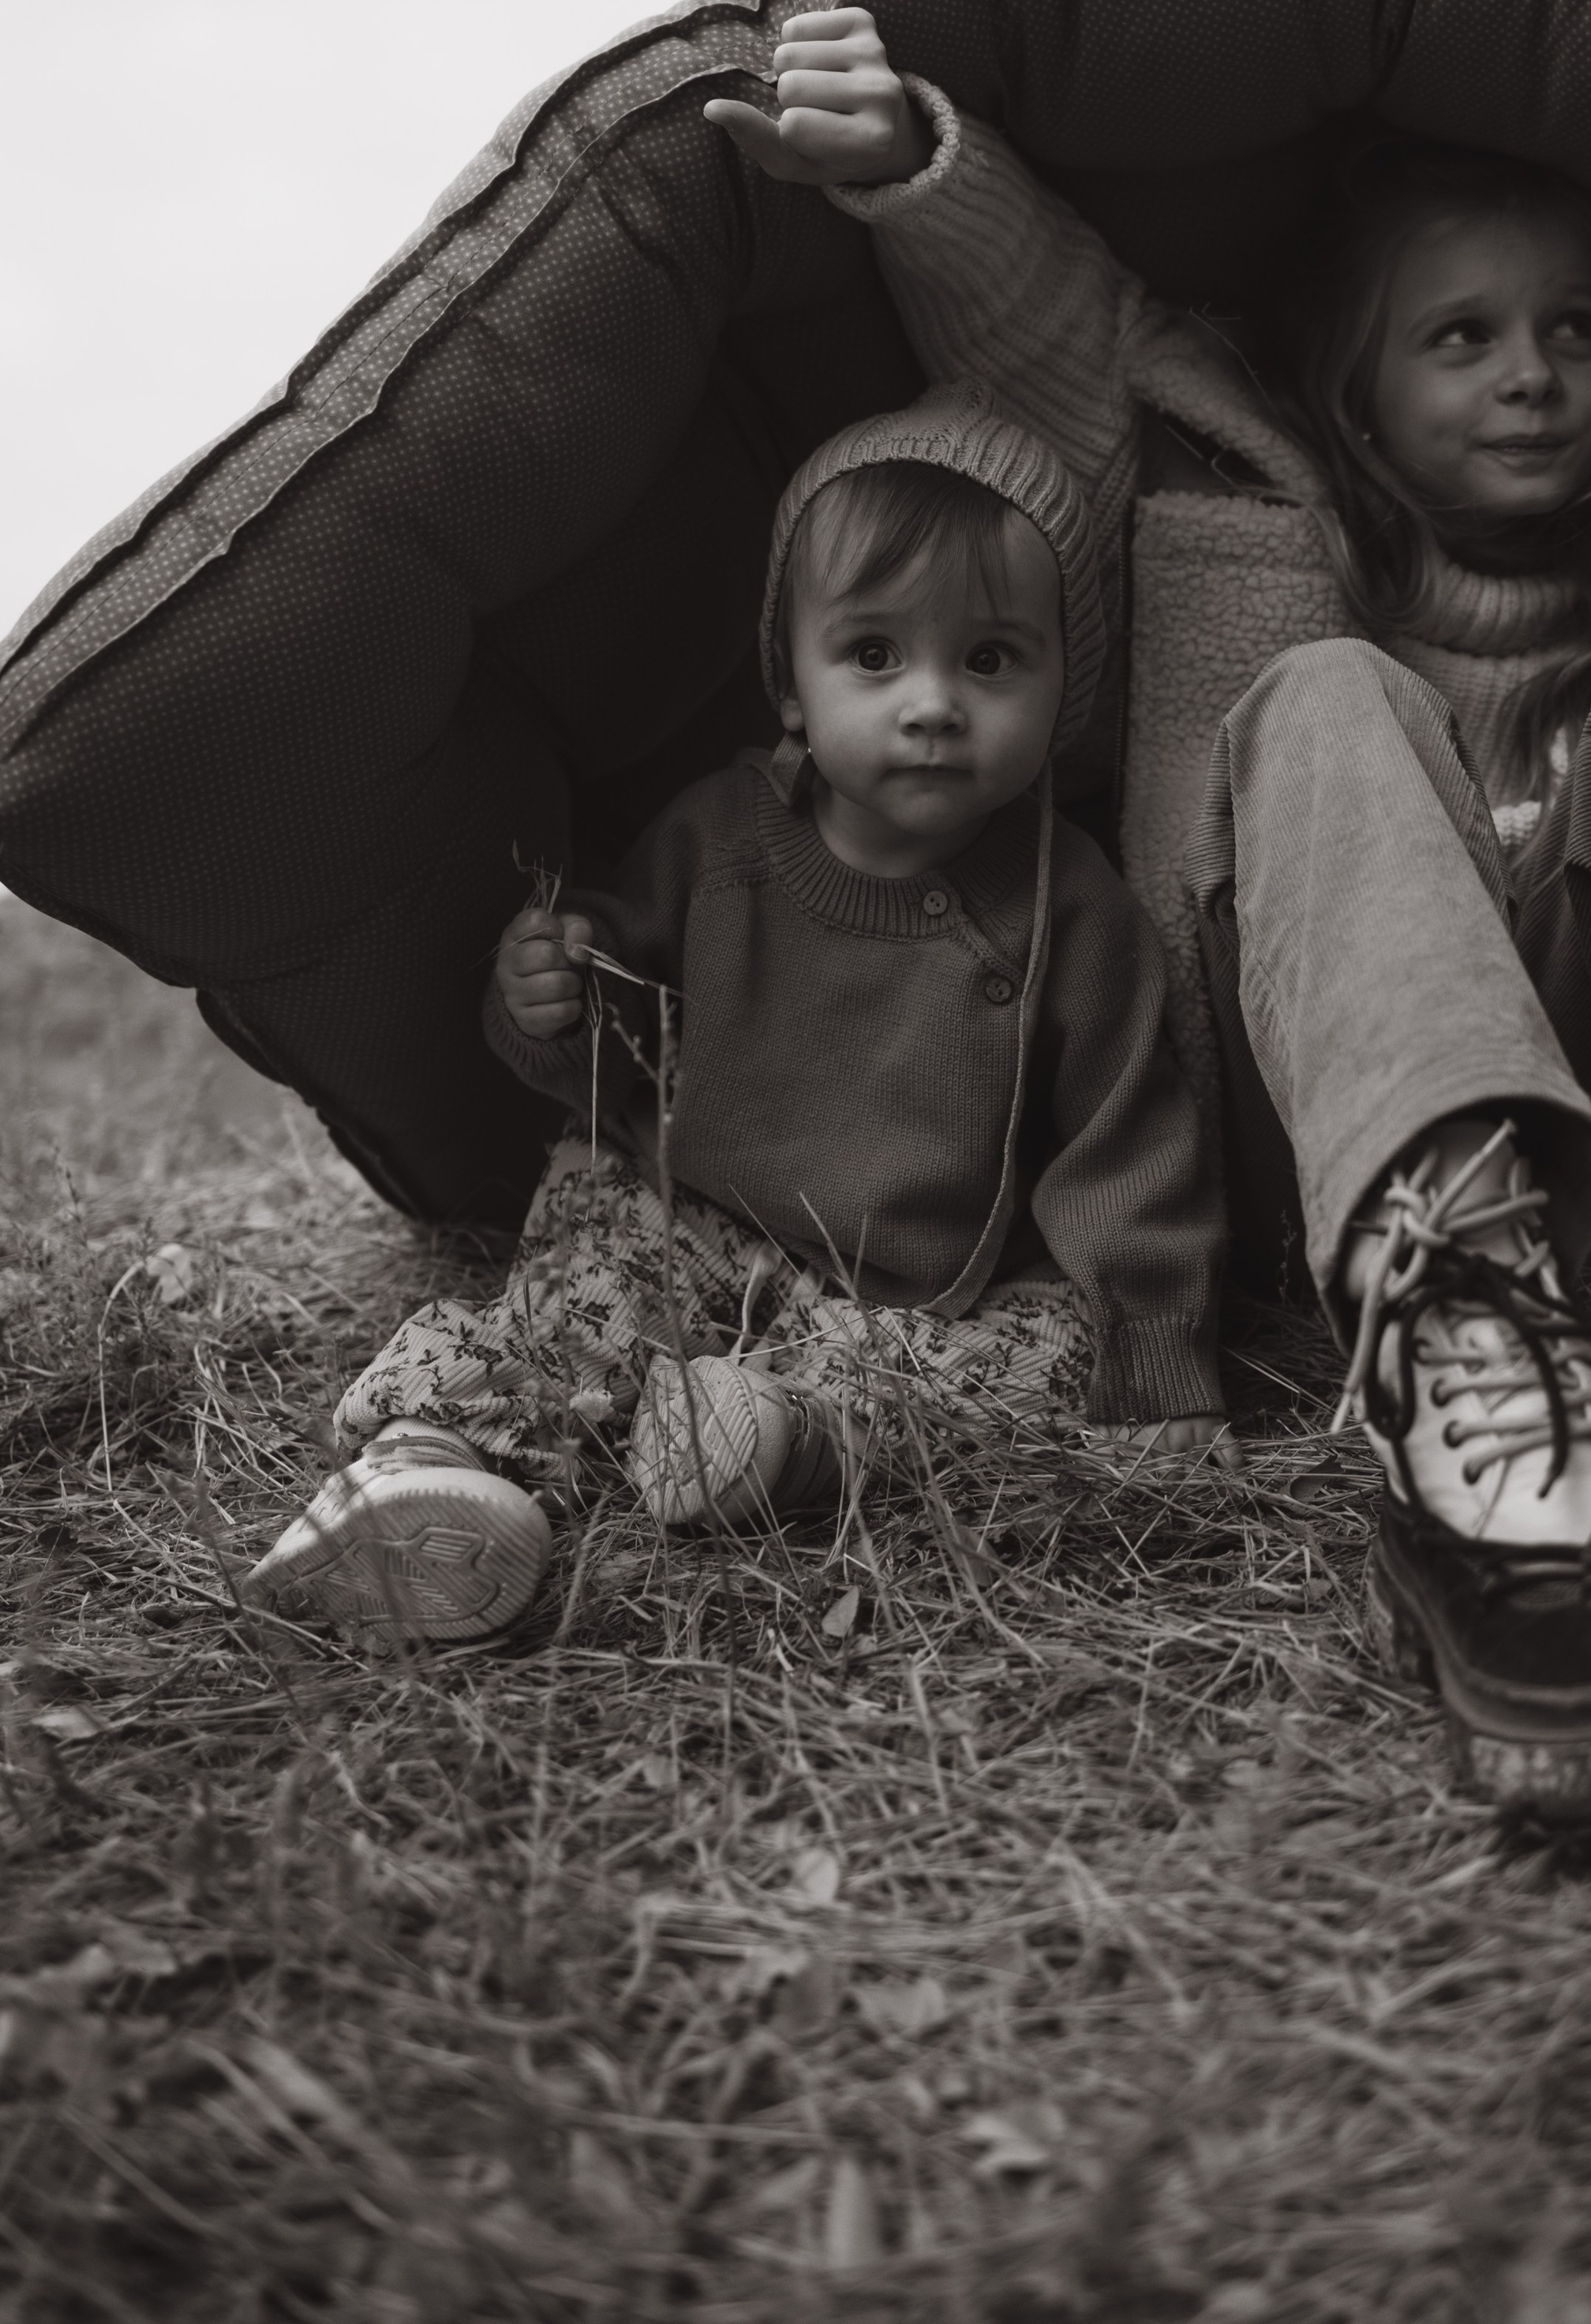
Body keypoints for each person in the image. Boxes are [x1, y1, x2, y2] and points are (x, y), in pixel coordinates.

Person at [691, 7, 1591, 1821]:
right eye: (1459, 336)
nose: (1528, 374)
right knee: (1325, 695)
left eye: (1571, 331)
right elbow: (1060, 334)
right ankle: (1491, 1437)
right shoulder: (1241, 496)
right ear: (1349, 383)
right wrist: (913, 171)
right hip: (1319, 1100)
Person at [246, 386, 1226, 1647]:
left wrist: (1156, 1346)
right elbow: (620, 1038)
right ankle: (430, 1466)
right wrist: (555, 999)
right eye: (875, 656)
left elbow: (1127, 1145)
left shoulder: (1073, 906)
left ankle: (778, 1438)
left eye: (990, 660)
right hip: (698, 1216)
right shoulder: (723, 840)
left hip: (924, 1289)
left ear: (1064, 690)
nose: (934, 702)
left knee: (1050, 1357)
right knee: (589, 1278)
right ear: (792, 684)